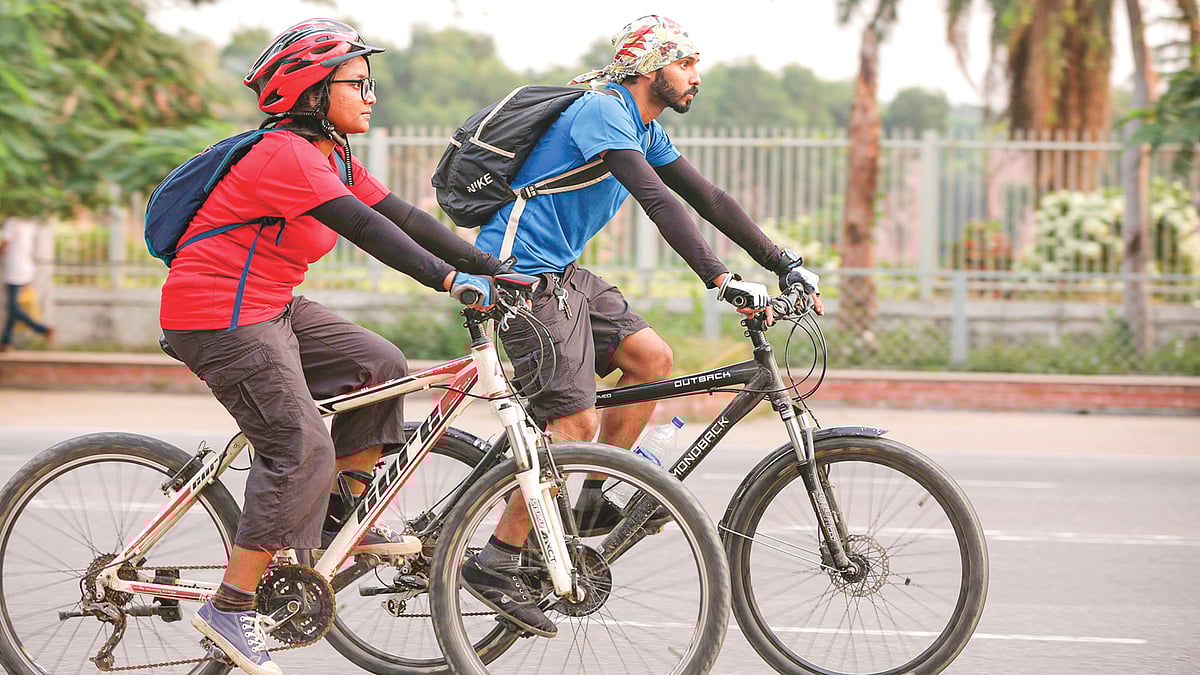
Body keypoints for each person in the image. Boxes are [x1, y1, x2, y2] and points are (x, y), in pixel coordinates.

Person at [462, 14, 824, 637]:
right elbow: (656, 201)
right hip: (518, 273)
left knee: (651, 359)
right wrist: (719, 278)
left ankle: (594, 491)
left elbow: (706, 198)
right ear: (651, 69)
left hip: (563, 272)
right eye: (686, 64)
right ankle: (497, 558)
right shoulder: (603, 111)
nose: (696, 77)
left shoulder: (642, 124)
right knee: (570, 422)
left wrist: (782, 262)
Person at [163, 19, 506, 675]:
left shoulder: (333, 154)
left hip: (269, 303)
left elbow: (401, 215)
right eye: (358, 82)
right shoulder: (284, 155)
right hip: (218, 313)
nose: (372, 95)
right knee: (298, 444)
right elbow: (364, 228)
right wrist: (448, 279)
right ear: (313, 91)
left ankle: (339, 516)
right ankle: (231, 606)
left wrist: (490, 265)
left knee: (377, 364)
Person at [0, 217, 55, 351]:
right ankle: (5, 341)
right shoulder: (29, 224)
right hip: (26, 270)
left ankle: (42, 329)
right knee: (13, 308)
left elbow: (5, 245)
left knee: (13, 307)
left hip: (14, 271)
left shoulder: (11, 223)